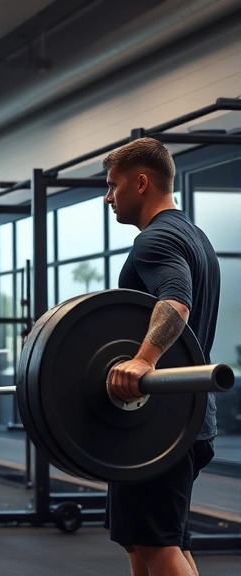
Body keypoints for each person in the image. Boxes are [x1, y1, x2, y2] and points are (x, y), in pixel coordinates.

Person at [103, 137, 219, 576]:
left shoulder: (155, 240)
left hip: (159, 422)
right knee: (147, 542)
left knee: (157, 546)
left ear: (141, 183)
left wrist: (144, 360)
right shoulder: (194, 236)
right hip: (182, 415)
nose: (108, 197)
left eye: (113, 185)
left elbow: (177, 301)